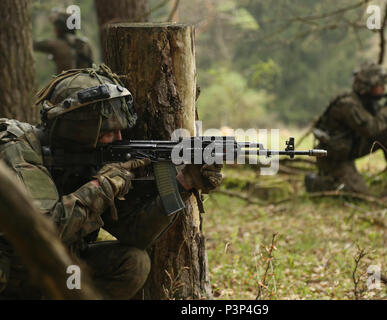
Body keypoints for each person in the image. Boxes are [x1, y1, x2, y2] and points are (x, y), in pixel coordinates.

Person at [0, 64, 222, 299]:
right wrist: (103, 186)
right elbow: (42, 233)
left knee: (133, 264)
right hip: (12, 272)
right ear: (80, 130)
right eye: (109, 130)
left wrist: (184, 182)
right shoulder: (16, 149)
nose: (119, 138)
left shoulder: (87, 158)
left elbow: (135, 234)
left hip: (46, 269)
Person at [305, 62, 387, 195]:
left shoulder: (367, 102)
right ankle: (317, 184)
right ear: (367, 86)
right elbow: (372, 129)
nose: (383, 88)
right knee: (359, 194)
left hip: (349, 149)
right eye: (379, 85)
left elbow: (386, 128)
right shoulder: (348, 105)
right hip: (333, 158)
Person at [34, 10, 93, 74]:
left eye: (56, 26)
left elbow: (33, 44)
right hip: (87, 79)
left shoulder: (56, 45)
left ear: (60, 28)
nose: (54, 29)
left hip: (65, 81)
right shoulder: (85, 44)